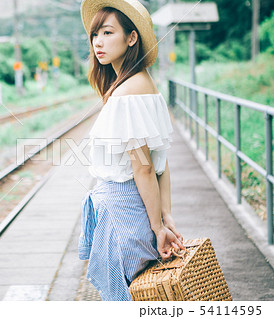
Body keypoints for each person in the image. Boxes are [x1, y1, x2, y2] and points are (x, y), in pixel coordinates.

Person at [78, 0, 185, 301]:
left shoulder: (126, 94)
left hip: (124, 215)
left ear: (131, 37)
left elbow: (144, 167)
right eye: (94, 34)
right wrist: (165, 216)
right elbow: (160, 163)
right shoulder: (145, 85)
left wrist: (158, 226)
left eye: (108, 32)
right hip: (137, 210)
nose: (98, 42)